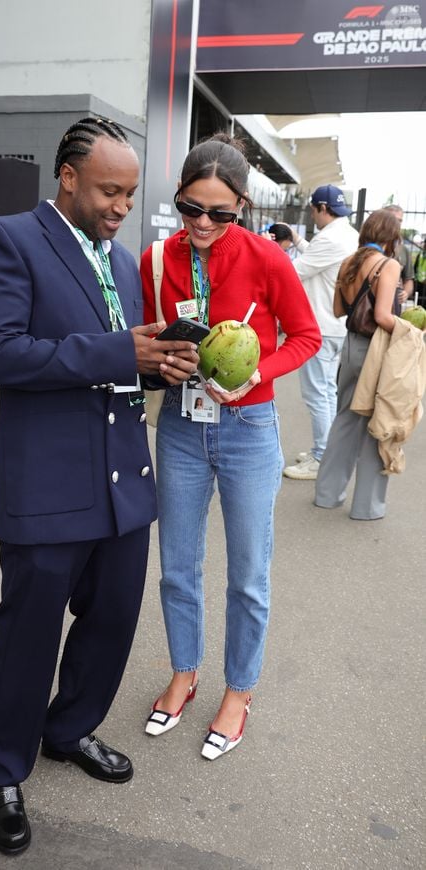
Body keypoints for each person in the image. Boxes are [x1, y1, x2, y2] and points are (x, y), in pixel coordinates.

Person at [0, 116, 199, 855]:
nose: (121, 207)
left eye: (130, 194)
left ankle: (69, 730)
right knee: (27, 634)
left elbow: (120, 359)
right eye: (108, 192)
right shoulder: (7, 238)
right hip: (48, 483)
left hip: (124, 481)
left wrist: (160, 363)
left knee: (112, 622)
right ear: (67, 177)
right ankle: (4, 770)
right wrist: (119, 351)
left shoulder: (121, 262)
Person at [139, 133, 321, 761]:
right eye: (191, 207)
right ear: (179, 197)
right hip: (181, 427)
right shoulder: (156, 259)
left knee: (247, 575)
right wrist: (161, 361)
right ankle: (184, 674)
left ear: (242, 205)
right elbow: (148, 340)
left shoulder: (267, 258)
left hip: (249, 429)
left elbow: (305, 337)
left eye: (220, 212)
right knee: (177, 566)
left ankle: (239, 691)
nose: (203, 223)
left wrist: (258, 372)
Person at [314, 209, 402, 519]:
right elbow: (382, 316)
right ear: (391, 237)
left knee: (345, 420)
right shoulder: (388, 265)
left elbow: (338, 310)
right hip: (375, 350)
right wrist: (410, 330)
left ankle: (327, 495)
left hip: (350, 347)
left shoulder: (349, 262)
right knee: (379, 425)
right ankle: (367, 507)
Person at [281, 184, 359, 481]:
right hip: (336, 326)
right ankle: (326, 451)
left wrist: (276, 250)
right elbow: (319, 258)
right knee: (327, 392)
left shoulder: (329, 239)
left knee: (317, 395)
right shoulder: (347, 233)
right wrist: (298, 240)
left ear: (323, 209)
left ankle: (321, 456)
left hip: (322, 327)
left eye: (313, 210)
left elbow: (294, 272)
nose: (312, 216)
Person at [384, 204, 414, 301]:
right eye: (393, 219)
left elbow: (409, 280)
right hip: (371, 302)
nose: (397, 223)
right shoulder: (371, 246)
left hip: (394, 302)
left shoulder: (403, 249)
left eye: (400, 220)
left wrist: (406, 293)